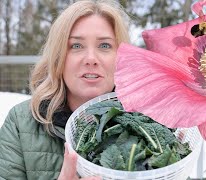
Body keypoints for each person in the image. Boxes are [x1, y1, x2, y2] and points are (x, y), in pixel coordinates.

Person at [0, 0, 130, 179]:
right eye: (76, 46)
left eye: (104, 45)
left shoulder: (152, 120)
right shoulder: (20, 123)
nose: (91, 59)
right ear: (58, 57)